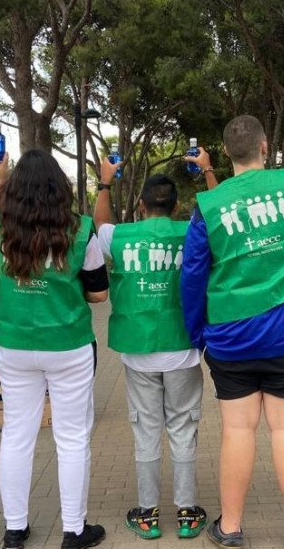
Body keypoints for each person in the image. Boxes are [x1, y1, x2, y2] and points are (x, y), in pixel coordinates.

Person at [181, 84, 284, 549]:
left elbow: (193, 277)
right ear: (265, 149)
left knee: (236, 429)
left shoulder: (206, 208)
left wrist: (197, 335)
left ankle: (230, 528)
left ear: (226, 155)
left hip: (230, 338)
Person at [0, 149, 109, 549]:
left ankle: (15, 531)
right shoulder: (81, 229)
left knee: (17, 435)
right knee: (72, 438)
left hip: (16, 346)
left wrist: (0, 177)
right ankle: (74, 530)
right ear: (61, 188)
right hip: (68, 346)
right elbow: (99, 295)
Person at [91, 147, 216, 540]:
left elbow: (99, 226)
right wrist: (208, 170)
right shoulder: (193, 233)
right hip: (183, 349)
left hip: (138, 354)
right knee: (183, 428)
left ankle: (146, 513)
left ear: (142, 205)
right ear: (177, 205)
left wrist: (105, 181)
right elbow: (219, 217)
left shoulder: (122, 236)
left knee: (146, 431)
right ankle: (185, 512)